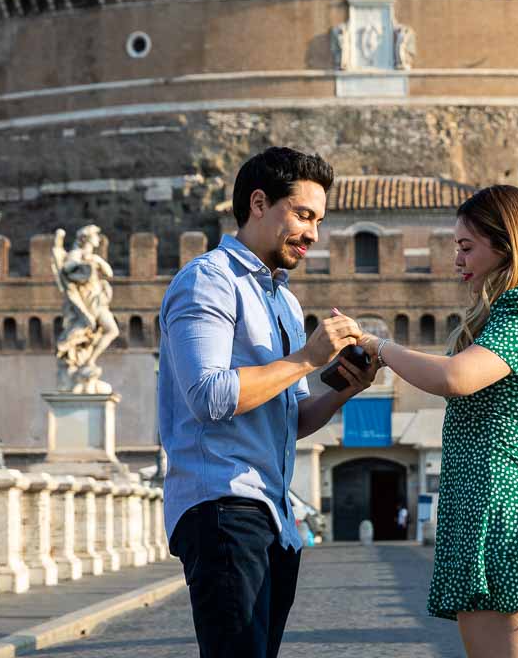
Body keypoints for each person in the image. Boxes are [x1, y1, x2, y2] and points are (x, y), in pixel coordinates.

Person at [357, 185, 518, 658]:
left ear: (506, 244)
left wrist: (380, 347)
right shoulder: (502, 315)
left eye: (466, 247)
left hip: (507, 512)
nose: (456, 260)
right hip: (482, 512)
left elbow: (457, 377)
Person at [158, 147, 379, 658]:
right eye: (303, 215)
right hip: (221, 506)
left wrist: (345, 389)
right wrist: (307, 357)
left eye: (319, 220)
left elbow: (293, 419)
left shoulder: (284, 299)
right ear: (258, 203)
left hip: (274, 520)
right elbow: (209, 397)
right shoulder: (207, 280)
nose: (313, 234)